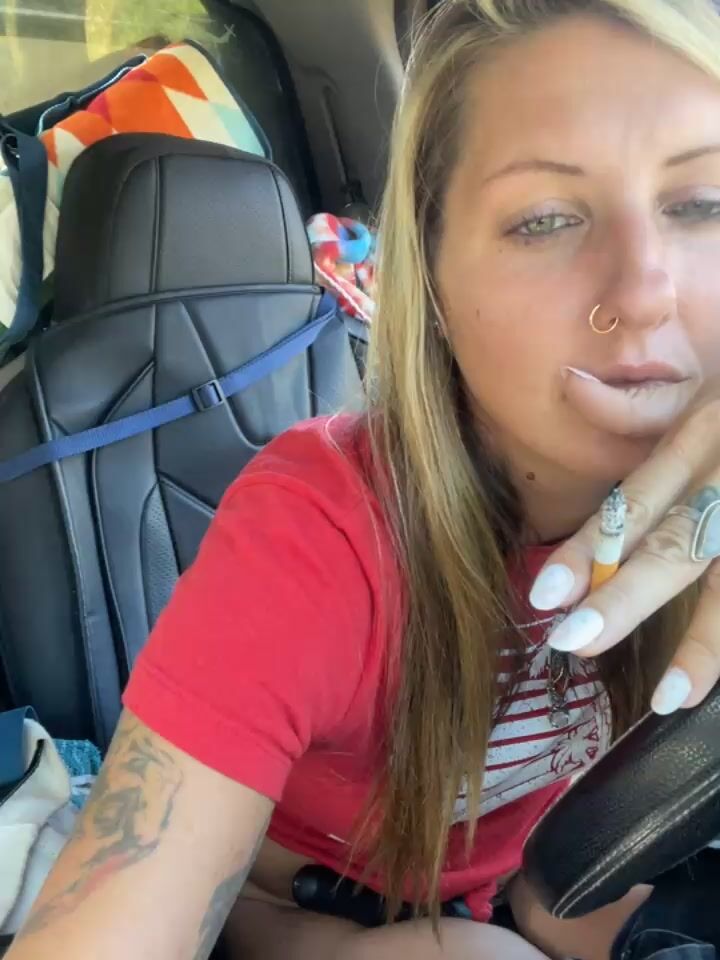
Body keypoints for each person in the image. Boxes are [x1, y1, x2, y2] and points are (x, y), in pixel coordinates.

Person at [8, 1, 720, 958]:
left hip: (547, 871)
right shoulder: (319, 533)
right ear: (429, 280)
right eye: (545, 220)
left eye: (703, 204)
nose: (644, 289)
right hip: (298, 911)